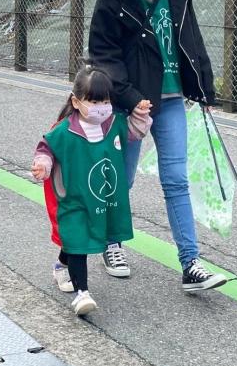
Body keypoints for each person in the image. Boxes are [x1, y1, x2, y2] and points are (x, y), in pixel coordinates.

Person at [88, 0, 227, 293]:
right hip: (129, 102)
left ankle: (190, 264)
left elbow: (192, 42)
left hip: (169, 99)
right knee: (123, 178)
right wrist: (130, 101)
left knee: (176, 179)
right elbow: (103, 52)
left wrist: (203, 90)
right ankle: (111, 243)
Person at [31, 66, 151, 316]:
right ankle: (82, 293)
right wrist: (43, 165)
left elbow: (136, 132)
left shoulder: (114, 123)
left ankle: (60, 265)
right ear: (76, 101)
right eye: (94, 101)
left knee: (79, 240)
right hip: (74, 198)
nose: (101, 107)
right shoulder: (65, 130)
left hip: (102, 198)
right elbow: (46, 149)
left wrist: (140, 114)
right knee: (77, 238)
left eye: (105, 101)